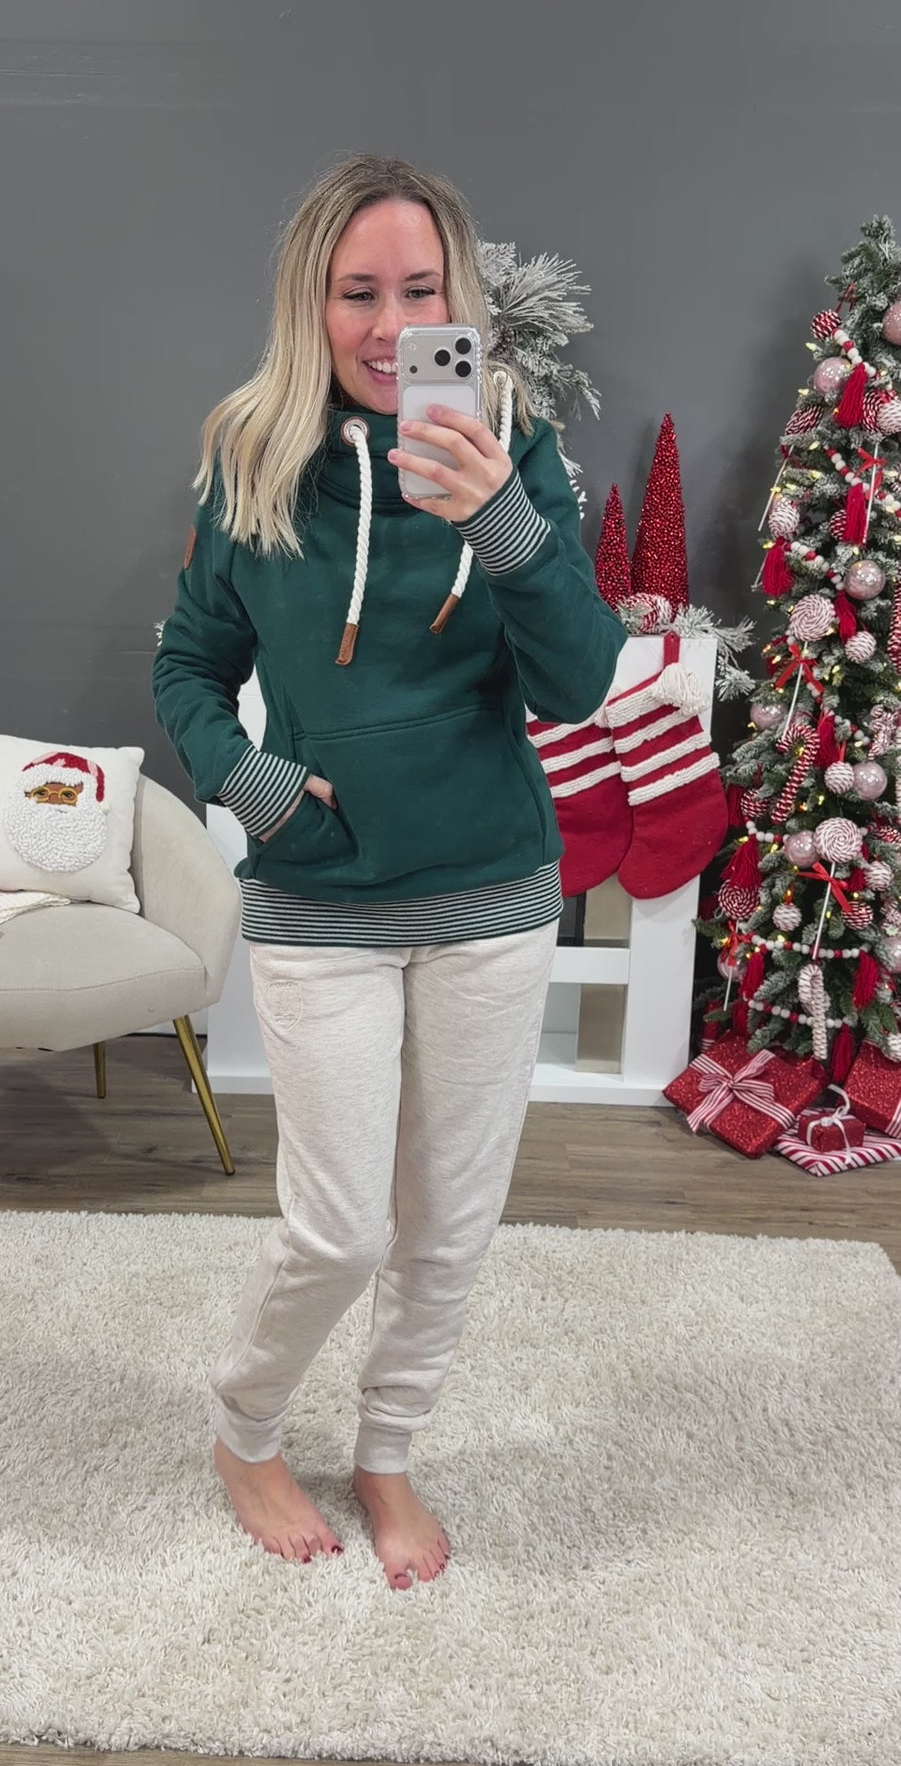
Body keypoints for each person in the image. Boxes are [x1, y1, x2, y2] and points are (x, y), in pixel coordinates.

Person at [153, 154, 626, 1591]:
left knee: (449, 1222)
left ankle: (387, 1450)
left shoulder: (511, 440)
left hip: (490, 892)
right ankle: (245, 1429)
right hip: (322, 892)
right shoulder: (252, 452)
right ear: (311, 301)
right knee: (339, 1226)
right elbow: (188, 668)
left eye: (419, 291)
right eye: (356, 292)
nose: (388, 325)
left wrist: (503, 524)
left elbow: (581, 683)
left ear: (458, 299)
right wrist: (259, 795)